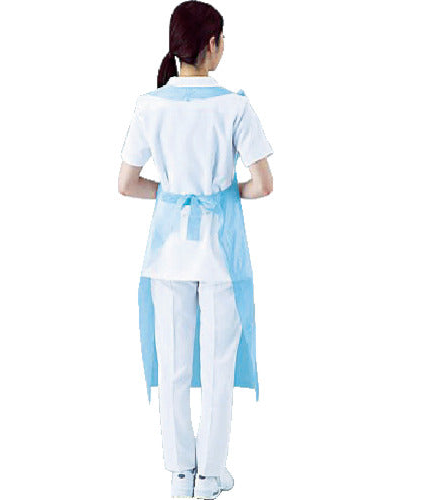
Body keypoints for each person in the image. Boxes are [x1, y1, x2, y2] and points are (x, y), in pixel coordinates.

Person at [118, 1, 273, 498]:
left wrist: (172, 194)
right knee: (218, 365)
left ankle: (179, 473)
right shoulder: (235, 106)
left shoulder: (149, 105)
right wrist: (224, 194)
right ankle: (210, 474)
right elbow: (263, 185)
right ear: (212, 44)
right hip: (221, 253)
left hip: (167, 253)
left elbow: (126, 184)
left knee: (173, 365)